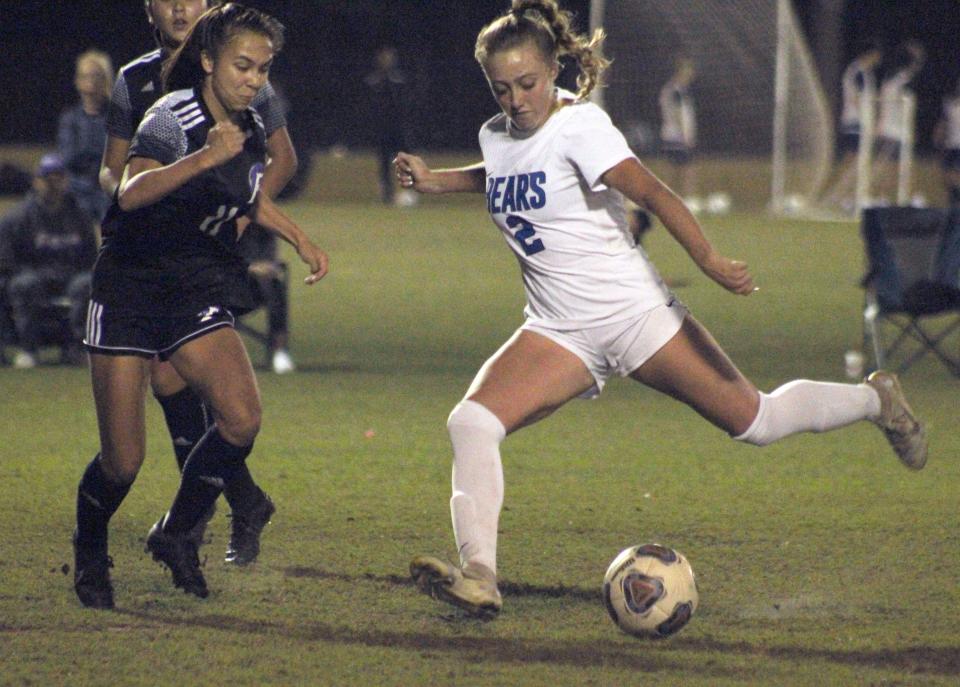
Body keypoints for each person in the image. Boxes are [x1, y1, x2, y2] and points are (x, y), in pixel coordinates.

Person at [394, 0, 928, 618]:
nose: (516, 100)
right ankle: (480, 576)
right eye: (502, 88)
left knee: (756, 422)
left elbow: (653, 191)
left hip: (637, 317)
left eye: (528, 84)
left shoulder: (582, 126)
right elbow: (504, 170)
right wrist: (437, 180)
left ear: (554, 70)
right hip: (558, 331)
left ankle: (876, 400)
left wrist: (707, 259)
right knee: (472, 423)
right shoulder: (498, 132)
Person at [71, 3, 328, 609]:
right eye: (243, 66)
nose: (254, 80)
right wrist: (203, 157)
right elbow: (131, 191)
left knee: (241, 418)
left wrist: (298, 235)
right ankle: (89, 549)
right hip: (130, 285)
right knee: (123, 460)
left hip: (189, 285)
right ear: (210, 62)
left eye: (263, 70)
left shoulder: (251, 128)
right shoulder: (171, 114)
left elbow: (246, 195)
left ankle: (178, 533)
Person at [0, 154, 96, 369]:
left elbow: (90, 257)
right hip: (33, 276)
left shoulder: (79, 216)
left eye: (58, 178)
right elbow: (7, 258)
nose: (53, 184)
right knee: (24, 285)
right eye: (47, 178)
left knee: (86, 285)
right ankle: (29, 349)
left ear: (65, 180)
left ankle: (76, 349)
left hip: (71, 276)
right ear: (37, 181)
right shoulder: (19, 217)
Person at [821, 41, 883, 210]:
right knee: (853, 161)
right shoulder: (857, 71)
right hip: (855, 122)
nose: (878, 59)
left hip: (859, 122)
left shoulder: (864, 73)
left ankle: (847, 196)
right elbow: (856, 98)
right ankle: (837, 195)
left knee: (855, 161)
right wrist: (868, 120)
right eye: (876, 55)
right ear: (869, 54)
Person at [58, 50, 114, 224]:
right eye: (85, 76)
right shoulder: (70, 119)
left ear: (106, 79)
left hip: (108, 183)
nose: (91, 81)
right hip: (79, 186)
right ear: (77, 81)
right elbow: (68, 158)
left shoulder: (117, 117)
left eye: (96, 76)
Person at [237, 222, 295, 373]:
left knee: (275, 289)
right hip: (219, 285)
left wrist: (268, 268)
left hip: (251, 287)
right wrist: (248, 267)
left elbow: (270, 260)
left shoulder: (262, 228)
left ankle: (279, 351)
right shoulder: (218, 225)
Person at [872, 41, 924, 203]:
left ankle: (884, 197)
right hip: (898, 130)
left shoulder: (888, 80)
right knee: (900, 166)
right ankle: (904, 198)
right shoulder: (905, 81)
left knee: (888, 166)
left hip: (886, 128)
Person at [364, 45, 413, 205]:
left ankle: (408, 193)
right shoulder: (373, 81)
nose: (386, 60)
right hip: (382, 129)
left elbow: (406, 105)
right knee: (384, 163)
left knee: (404, 162)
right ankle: (387, 194)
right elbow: (369, 107)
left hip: (398, 129)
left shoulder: (399, 80)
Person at [658, 57, 698, 212]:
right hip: (676, 137)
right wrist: (686, 135)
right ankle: (686, 201)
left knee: (673, 169)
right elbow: (676, 113)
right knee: (686, 169)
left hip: (671, 135)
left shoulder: (673, 90)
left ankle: (666, 200)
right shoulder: (675, 91)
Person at [933, 78, 960, 208]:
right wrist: (938, 138)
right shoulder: (950, 104)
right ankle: (953, 203)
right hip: (951, 145)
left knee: (955, 175)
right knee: (948, 177)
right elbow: (943, 123)